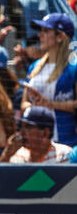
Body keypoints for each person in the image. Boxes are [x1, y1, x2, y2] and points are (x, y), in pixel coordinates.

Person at [21, 13, 77, 148]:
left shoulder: (74, 66)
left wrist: (50, 104)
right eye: (40, 31)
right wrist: (35, 108)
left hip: (66, 143)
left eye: (46, 31)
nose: (40, 35)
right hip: (36, 145)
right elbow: (24, 103)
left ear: (60, 36)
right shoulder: (34, 66)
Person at [0, 106, 72, 163]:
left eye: (28, 127)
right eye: (21, 127)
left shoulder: (64, 155)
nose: (22, 133)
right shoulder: (19, 156)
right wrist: (7, 155)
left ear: (45, 133)